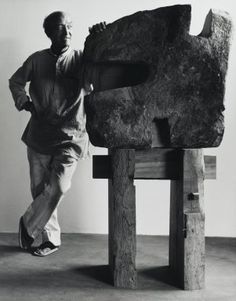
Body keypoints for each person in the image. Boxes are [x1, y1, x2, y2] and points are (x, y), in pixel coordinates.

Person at [9, 11, 106, 257]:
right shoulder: (36, 60)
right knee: (41, 191)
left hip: (71, 138)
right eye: (62, 28)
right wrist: (25, 102)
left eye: (70, 27)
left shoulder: (81, 60)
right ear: (50, 32)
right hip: (38, 137)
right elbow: (16, 81)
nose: (68, 32)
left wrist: (100, 39)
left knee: (58, 187)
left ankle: (28, 224)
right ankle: (50, 240)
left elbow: (98, 73)